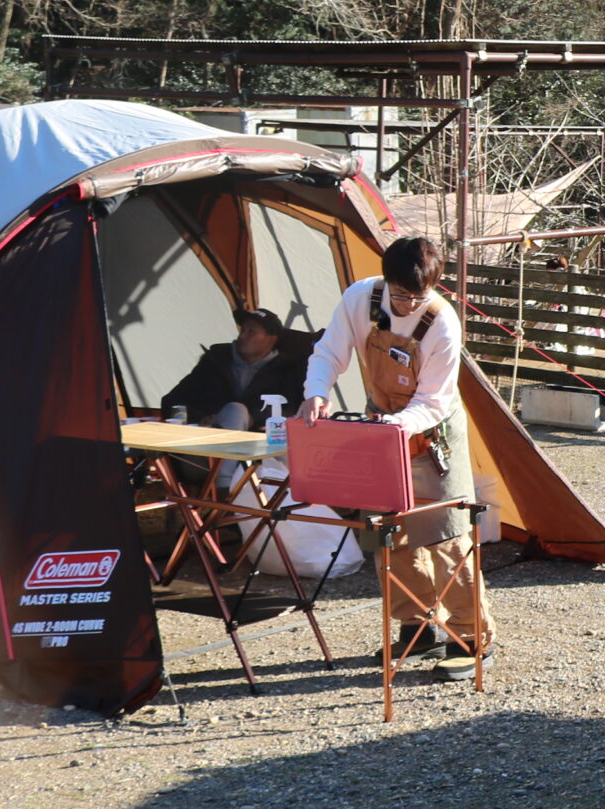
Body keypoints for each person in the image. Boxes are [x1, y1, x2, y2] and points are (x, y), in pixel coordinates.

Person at [300, 237, 487, 681]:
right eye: (401, 295)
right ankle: (416, 626)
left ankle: (471, 637)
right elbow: (329, 352)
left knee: (446, 535)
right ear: (386, 282)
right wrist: (315, 395)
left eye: (418, 297)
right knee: (389, 531)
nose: (407, 306)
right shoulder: (359, 298)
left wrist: (395, 428)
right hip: (381, 428)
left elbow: (433, 400)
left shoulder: (442, 323)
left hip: (431, 434)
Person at [163, 308, 310, 434]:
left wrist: (252, 417)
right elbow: (172, 401)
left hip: (258, 443)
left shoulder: (286, 369)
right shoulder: (215, 361)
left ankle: (225, 467)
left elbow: (293, 410)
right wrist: (201, 417)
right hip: (205, 442)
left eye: (251, 331)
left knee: (237, 411)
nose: (243, 336)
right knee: (236, 411)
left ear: (271, 339)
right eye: (243, 330)